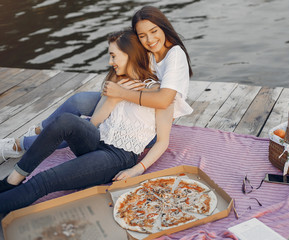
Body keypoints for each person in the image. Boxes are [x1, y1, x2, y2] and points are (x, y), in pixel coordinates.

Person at [0, 29, 179, 214]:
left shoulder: (161, 94)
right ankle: (14, 178)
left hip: (118, 157)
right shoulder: (116, 81)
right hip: (96, 141)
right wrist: (113, 99)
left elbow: (162, 141)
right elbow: (93, 124)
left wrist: (137, 169)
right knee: (65, 120)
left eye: (113, 56)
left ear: (130, 55)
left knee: (44, 180)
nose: (110, 62)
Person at [0, 5, 193, 162]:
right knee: (79, 101)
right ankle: (41, 130)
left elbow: (163, 100)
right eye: (142, 35)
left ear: (163, 27)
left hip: (149, 125)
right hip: (133, 104)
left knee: (79, 126)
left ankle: (20, 145)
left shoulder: (174, 56)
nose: (150, 40)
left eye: (154, 31)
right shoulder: (147, 51)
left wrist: (120, 93)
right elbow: (126, 67)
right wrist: (118, 86)